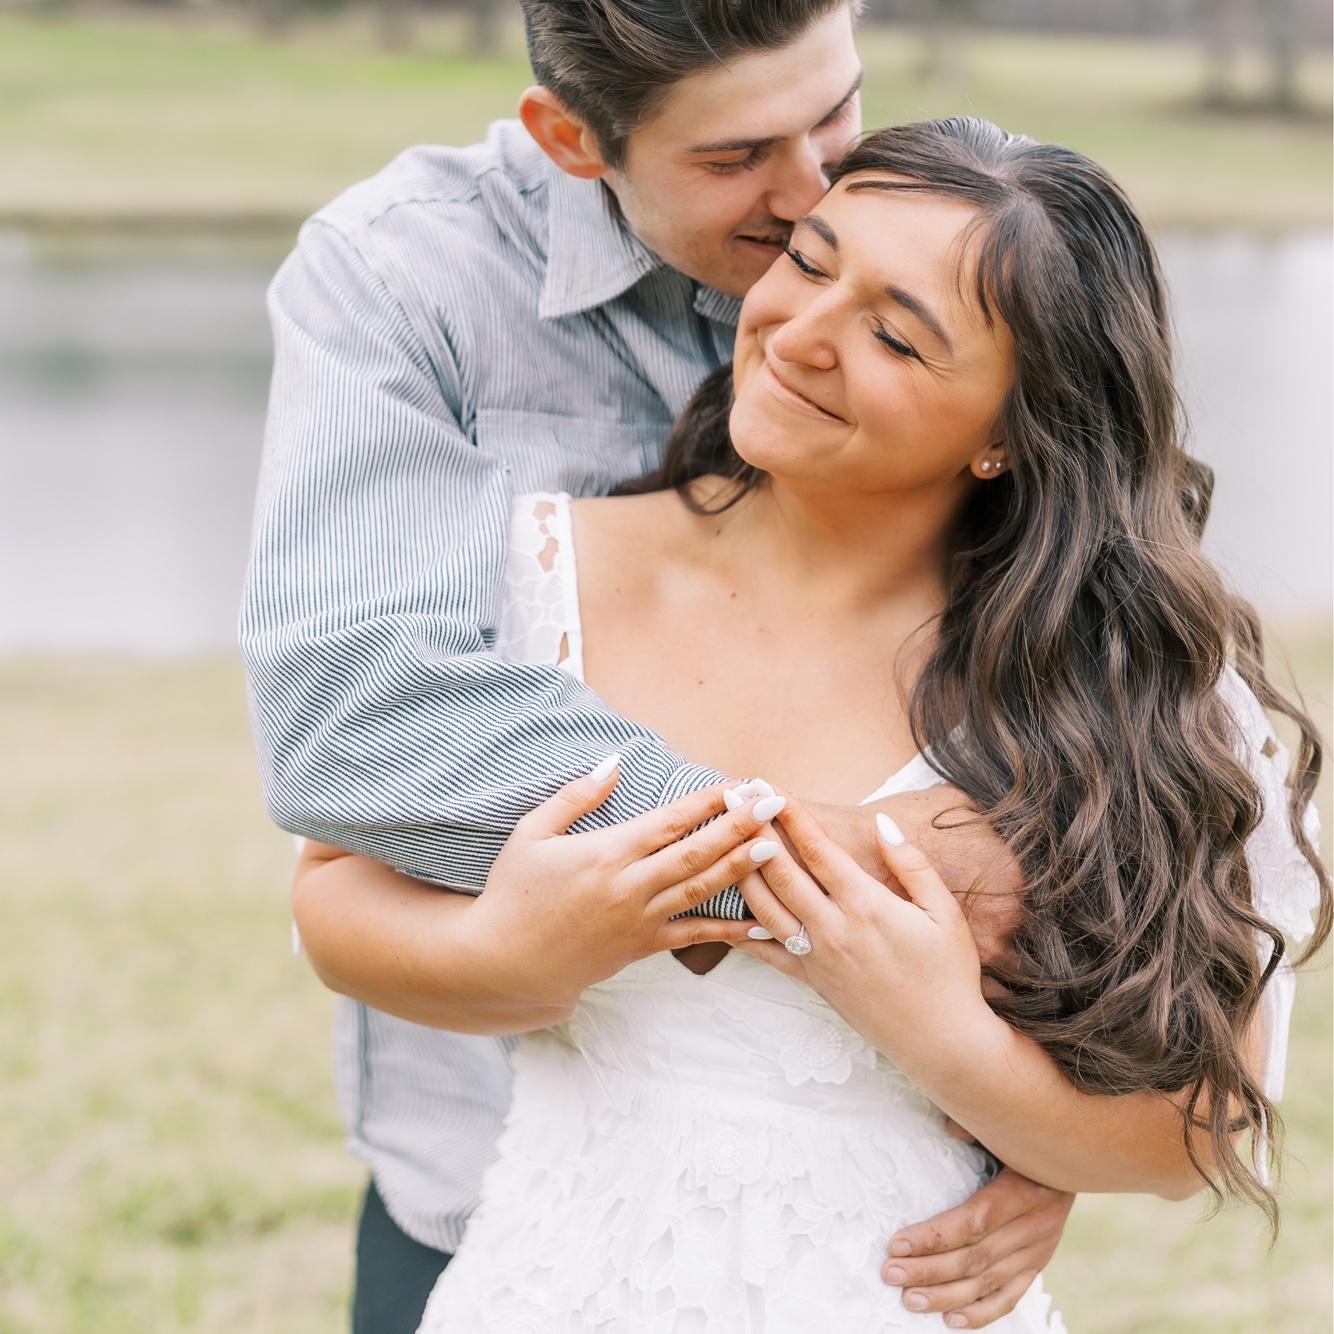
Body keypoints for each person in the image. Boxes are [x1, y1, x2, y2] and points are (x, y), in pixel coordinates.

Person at [298, 120, 1328, 1331]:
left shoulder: (1109, 690)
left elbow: (1191, 1134)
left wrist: (953, 1045)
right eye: (807, 260)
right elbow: (333, 897)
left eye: (894, 334)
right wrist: (514, 951)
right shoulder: (533, 569)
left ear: (1009, 431)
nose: (797, 334)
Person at [243, 4, 1077, 1330]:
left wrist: (1043, 1119)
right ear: (572, 138)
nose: (810, 189)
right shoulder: (401, 277)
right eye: (736, 156)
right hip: (489, 1180)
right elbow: (357, 723)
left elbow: (1073, 621)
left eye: (833, 111)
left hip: (888, 1212)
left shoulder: (930, 240)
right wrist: (829, 858)